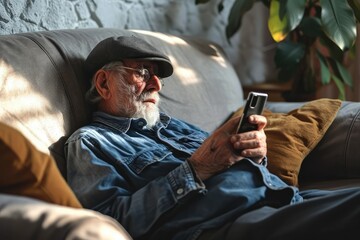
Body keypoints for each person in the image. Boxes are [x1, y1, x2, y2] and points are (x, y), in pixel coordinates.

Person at [65, 35, 360, 240]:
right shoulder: (91, 142)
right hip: (226, 223)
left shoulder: (171, 126)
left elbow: (226, 160)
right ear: (104, 82)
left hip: (281, 197)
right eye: (143, 72)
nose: (156, 84)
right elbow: (107, 224)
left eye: (158, 76)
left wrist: (255, 154)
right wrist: (196, 169)